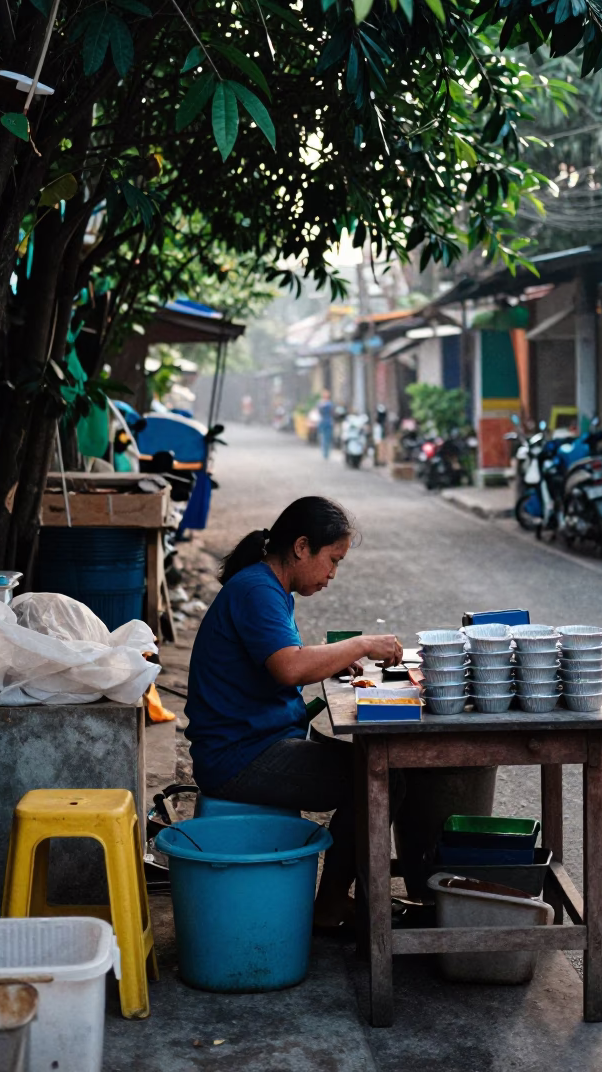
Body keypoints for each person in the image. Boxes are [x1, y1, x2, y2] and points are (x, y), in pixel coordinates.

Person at [185, 496, 403, 931]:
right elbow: (289, 666)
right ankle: (330, 905)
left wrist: (331, 660)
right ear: (301, 547)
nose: (332, 575)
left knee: (372, 767)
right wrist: (360, 644)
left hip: (250, 743)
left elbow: (289, 660)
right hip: (239, 757)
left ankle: (341, 896)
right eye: (332, 560)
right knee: (379, 777)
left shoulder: (268, 588)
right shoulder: (257, 590)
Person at [316, 389, 334, 460]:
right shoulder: (321, 403)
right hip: (323, 421)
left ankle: (327, 453)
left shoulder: (328, 403)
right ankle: (324, 453)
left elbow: (332, 412)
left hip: (328, 422)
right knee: (323, 438)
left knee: (327, 438)